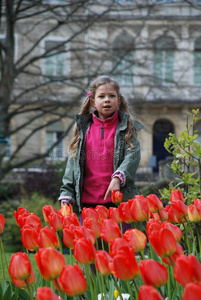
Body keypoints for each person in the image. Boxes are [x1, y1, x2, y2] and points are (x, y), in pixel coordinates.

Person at [58, 75, 143, 214]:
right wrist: (67, 192)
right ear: (93, 101)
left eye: (111, 96)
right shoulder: (83, 130)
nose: (107, 100)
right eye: (101, 96)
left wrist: (118, 177)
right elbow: (72, 164)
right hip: (87, 205)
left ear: (118, 100)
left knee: (121, 236)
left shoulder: (126, 128)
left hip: (118, 203)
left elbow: (133, 155)